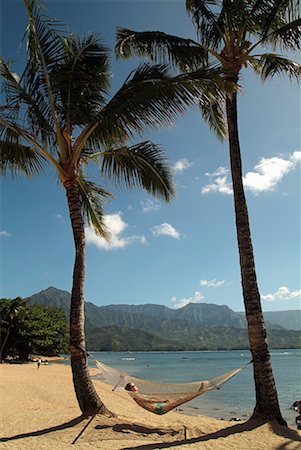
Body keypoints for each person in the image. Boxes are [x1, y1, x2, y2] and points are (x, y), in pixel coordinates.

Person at [124, 382, 204, 415]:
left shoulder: (138, 394)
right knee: (180, 400)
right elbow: (148, 401)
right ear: (130, 389)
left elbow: (150, 397)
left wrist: (161, 398)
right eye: (133, 386)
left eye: (134, 385)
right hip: (158, 409)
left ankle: (197, 392)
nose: (135, 387)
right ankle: (198, 392)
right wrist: (162, 400)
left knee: (179, 398)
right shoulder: (135, 396)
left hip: (159, 405)